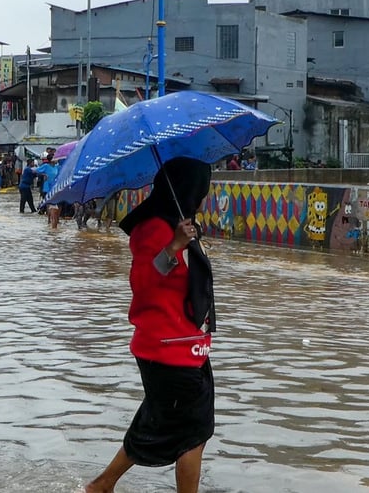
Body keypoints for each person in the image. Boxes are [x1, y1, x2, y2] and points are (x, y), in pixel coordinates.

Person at [85, 157, 216, 493]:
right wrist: (174, 245)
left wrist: (183, 241)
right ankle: (101, 485)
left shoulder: (178, 223)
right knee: (193, 435)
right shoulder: (156, 229)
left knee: (154, 423)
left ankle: (101, 485)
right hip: (170, 351)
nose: (205, 197)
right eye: (204, 189)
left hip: (187, 346)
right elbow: (142, 282)